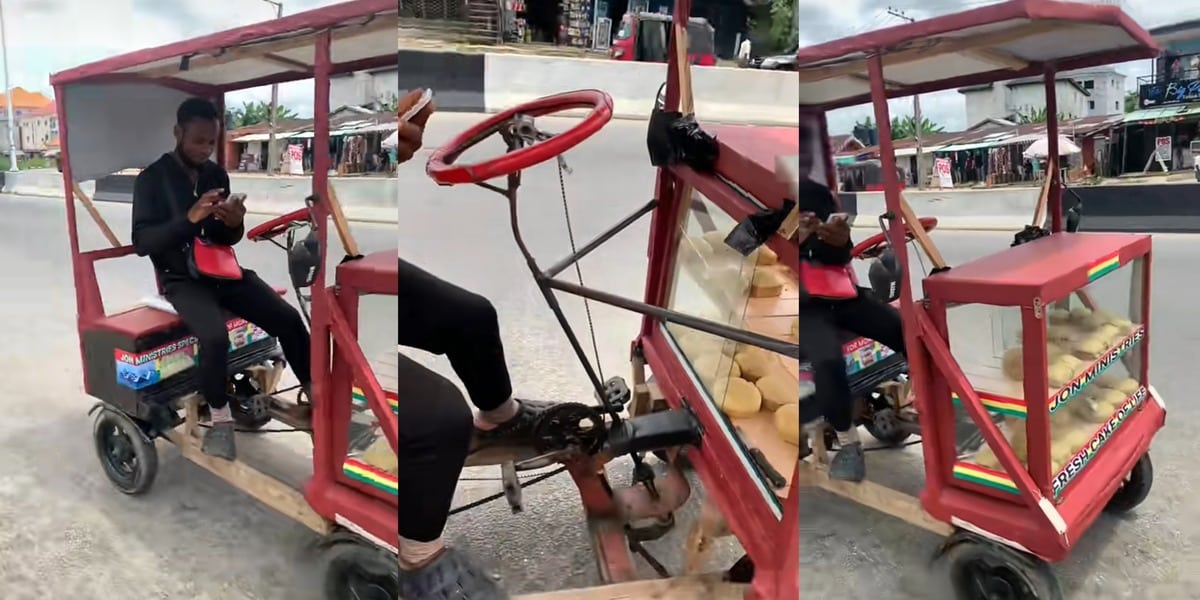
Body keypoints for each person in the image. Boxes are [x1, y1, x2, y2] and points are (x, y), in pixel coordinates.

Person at [394, 89, 537, 599]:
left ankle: (501, 414)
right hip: (327, 301)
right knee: (439, 417)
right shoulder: (342, 148)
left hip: (361, 267)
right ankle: (416, 558)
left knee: (473, 316)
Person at [131, 97, 311, 461]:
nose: (205, 148)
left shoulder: (216, 175)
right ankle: (221, 419)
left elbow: (225, 239)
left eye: (211, 141)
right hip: (181, 279)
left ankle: (315, 392)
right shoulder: (152, 180)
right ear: (178, 133)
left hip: (221, 271)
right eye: (198, 140)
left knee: (288, 319)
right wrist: (189, 218)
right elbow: (142, 243)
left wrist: (233, 223)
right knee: (214, 337)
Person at [792, 124, 906, 483]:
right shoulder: (762, 195)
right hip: (801, 303)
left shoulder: (815, 193)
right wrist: (793, 240)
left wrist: (834, 240)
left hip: (837, 291)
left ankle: (944, 401)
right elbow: (749, 248)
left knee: (903, 327)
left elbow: (839, 253)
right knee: (827, 358)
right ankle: (848, 443)